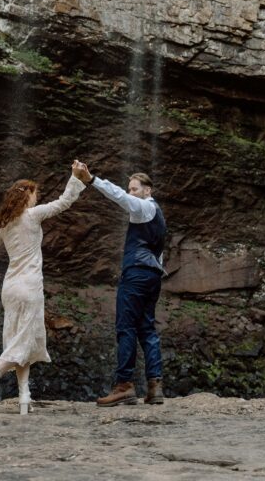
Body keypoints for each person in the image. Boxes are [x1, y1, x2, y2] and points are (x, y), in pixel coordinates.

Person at [0, 168, 86, 414]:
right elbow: (64, 202)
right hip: (29, 287)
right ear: (28, 196)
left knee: (20, 339)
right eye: (36, 194)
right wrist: (76, 176)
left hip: (10, 288)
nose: (37, 198)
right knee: (23, 341)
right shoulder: (33, 215)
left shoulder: (2, 225)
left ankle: (25, 396)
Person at [72, 160, 166, 406]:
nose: (130, 192)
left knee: (126, 328)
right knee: (147, 328)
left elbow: (119, 197)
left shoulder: (144, 208)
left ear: (148, 190)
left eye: (134, 188)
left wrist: (91, 180)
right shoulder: (158, 216)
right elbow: (158, 253)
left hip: (135, 274)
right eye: (130, 188)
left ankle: (124, 385)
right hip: (153, 275)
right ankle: (155, 386)